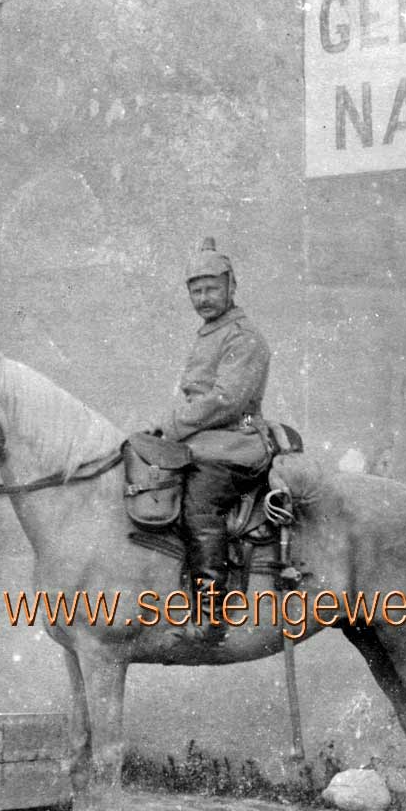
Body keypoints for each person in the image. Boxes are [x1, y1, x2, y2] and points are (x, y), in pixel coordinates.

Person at [143, 237, 273, 643]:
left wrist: (171, 424)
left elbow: (225, 401)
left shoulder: (243, 336)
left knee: (200, 506)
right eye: (196, 290)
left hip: (235, 443)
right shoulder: (210, 333)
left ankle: (210, 614)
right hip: (204, 440)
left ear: (231, 286)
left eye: (211, 288)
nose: (203, 298)